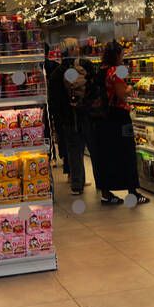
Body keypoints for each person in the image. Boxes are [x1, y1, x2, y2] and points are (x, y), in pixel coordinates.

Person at [91, 40, 149, 206]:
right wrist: (132, 87)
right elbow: (122, 95)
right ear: (116, 55)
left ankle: (106, 193)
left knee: (106, 155)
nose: (123, 57)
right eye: (122, 54)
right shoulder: (116, 71)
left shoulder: (100, 70)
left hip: (102, 119)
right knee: (127, 153)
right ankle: (133, 193)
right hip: (119, 117)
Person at [47, 38, 95, 194]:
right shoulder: (86, 66)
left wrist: (58, 118)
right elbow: (95, 89)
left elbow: (53, 99)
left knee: (74, 151)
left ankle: (76, 184)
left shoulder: (57, 73)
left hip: (68, 118)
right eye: (77, 47)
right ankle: (103, 184)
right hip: (86, 115)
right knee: (94, 150)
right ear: (73, 50)